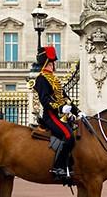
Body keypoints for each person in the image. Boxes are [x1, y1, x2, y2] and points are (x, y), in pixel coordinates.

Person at [33, 46, 85, 182]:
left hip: (62, 116)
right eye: (51, 63)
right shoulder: (41, 79)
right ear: (45, 63)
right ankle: (58, 167)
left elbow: (65, 97)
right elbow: (45, 100)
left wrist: (78, 112)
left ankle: (71, 165)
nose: (53, 65)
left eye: (52, 63)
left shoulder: (53, 79)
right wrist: (61, 108)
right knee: (68, 136)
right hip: (51, 116)